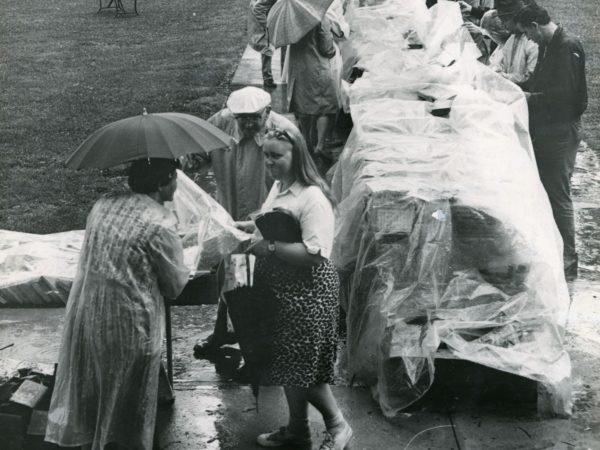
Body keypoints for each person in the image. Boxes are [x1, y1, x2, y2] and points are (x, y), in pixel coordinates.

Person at [45, 158, 189, 450]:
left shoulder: (103, 205)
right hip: (131, 323)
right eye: (175, 179)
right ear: (163, 183)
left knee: (97, 394)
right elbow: (174, 285)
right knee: (130, 406)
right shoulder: (160, 221)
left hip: (90, 314)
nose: (177, 185)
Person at [236, 126, 353, 450]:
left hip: (308, 294)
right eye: (266, 155)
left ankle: (339, 427)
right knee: (288, 363)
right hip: (281, 293)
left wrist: (269, 248)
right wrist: (247, 227)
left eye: (276, 156)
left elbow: (315, 255)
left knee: (304, 369)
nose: (270, 162)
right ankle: (297, 429)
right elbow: (274, 221)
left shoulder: (312, 197)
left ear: (296, 155)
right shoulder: (280, 186)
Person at [192, 86, 295, 356]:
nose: (249, 123)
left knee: (262, 284)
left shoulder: (284, 132)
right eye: (242, 118)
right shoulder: (221, 122)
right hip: (232, 218)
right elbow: (198, 153)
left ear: (268, 112)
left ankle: (262, 346)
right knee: (233, 280)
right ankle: (225, 333)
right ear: (232, 114)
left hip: (269, 223)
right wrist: (190, 160)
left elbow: (299, 178)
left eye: (255, 117)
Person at [515, 2, 587, 280]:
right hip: (548, 129)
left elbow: (566, 97)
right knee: (547, 189)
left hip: (561, 130)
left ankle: (568, 256)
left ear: (535, 25)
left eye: (528, 33)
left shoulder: (566, 46)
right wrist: (515, 87)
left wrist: (529, 99)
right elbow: (539, 83)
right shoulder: (551, 44)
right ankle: (555, 249)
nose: (529, 39)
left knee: (558, 194)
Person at [287, 17, 339, 158]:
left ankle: (305, 140)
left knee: (303, 104)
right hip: (316, 65)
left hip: (298, 65)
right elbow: (326, 47)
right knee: (325, 105)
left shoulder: (291, 17)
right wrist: (333, 51)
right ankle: (320, 146)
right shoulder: (319, 17)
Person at [489, 1, 538, 86]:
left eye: (505, 20)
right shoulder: (511, 39)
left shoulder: (532, 42)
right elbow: (498, 62)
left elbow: (530, 78)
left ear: (516, 19)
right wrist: (496, 70)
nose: (502, 24)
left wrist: (503, 77)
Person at [249, 0, 278, 89]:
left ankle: (267, 77)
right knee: (266, 47)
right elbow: (257, 8)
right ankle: (267, 79)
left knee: (266, 47)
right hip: (260, 20)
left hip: (261, 14)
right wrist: (267, 25)